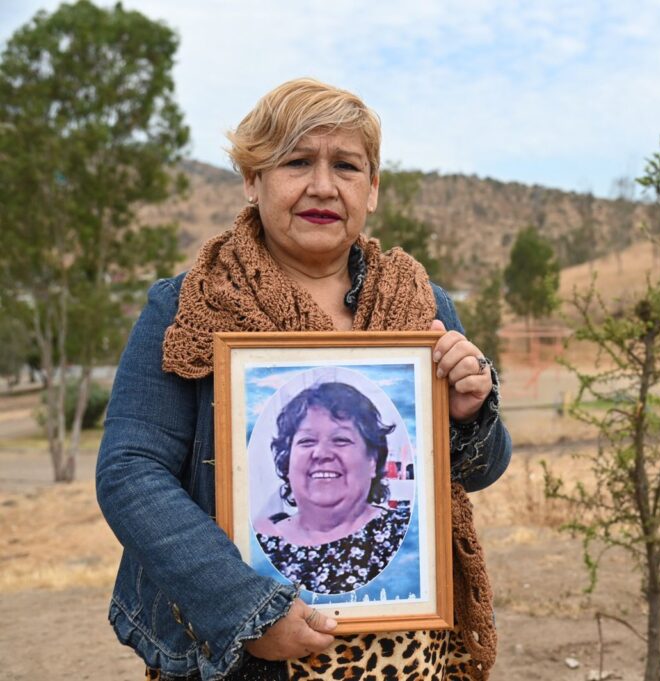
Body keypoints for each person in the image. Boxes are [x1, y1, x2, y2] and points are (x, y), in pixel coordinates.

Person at [96, 78, 510, 681]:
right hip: (240, 653)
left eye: (346, 165)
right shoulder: (186, 307)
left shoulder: (424, 306)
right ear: (253, 180)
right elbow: (130, 472)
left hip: (404, 655)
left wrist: (470, 413)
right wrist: (247, 610)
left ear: (372, 189)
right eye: (296, 162)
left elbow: (480, 470)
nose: (322, 186)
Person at [254, 381, 409, 594]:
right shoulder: (258, 548)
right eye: (307, 441)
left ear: (373, 461)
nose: (321, 453)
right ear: (287, 461)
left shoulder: (407, 533)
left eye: (341, 440)